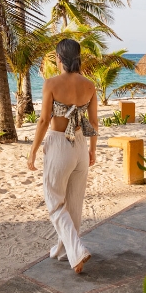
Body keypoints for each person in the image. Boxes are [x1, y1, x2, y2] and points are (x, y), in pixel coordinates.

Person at [27, 39, 99, 274]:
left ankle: (76, 251)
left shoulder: (51, 83)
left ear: (58, 58)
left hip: (59, 144)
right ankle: (65, 250)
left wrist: (33, 150)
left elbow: (43, 120)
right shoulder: (89, 85)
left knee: (55, 201)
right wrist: (92, 149)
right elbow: (94, 122)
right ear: (78, 58)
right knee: (74, 203)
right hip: (80, 145)